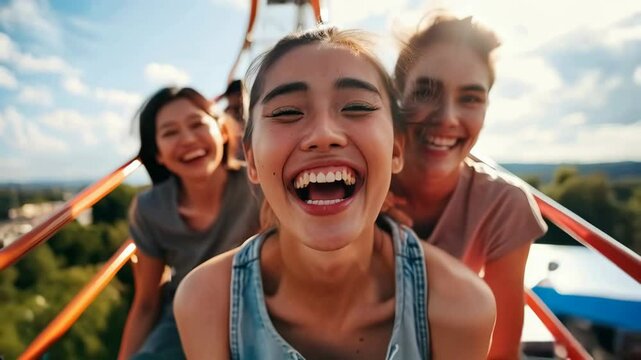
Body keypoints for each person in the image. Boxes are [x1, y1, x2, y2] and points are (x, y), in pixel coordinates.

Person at [174, 27, 496, 359]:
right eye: (287, 112)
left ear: (397, 149)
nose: (324, 134)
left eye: (357, 107)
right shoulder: (206, 301)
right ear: (252, 160)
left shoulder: (462, 308)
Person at [389, 14, 548, 359]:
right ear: (396, 99)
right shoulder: (351, 185)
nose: (447, 117)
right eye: (426, 92)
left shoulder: (504, 205)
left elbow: (499, 353)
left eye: (470, 98)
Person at [117, 87, 261, 359]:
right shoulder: (149, 210)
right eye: (170, 132)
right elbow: (147, 302)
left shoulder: (260, 185)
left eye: (197, 124)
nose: (188, 139)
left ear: (223, 131)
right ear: (157, 153)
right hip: (187, 315)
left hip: (260, 308)